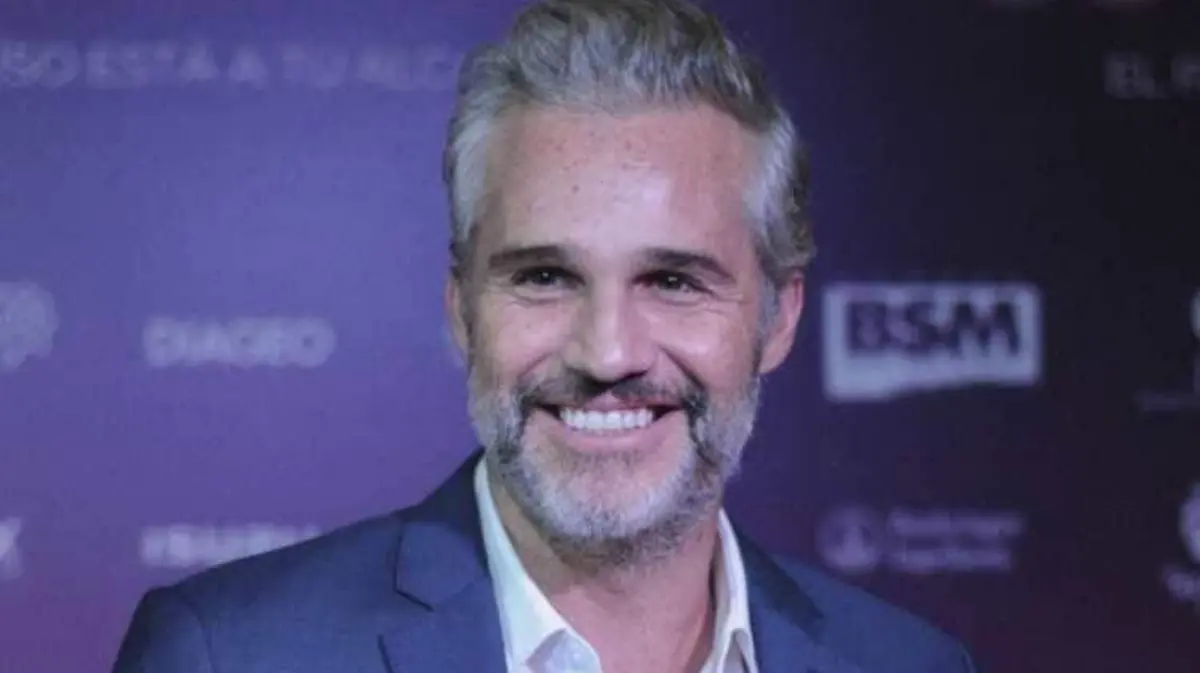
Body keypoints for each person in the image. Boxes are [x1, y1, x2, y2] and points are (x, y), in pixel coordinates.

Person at [112, 1, 979, 672]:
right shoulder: (234, 654)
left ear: (778, 316)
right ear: (462, 309)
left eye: (673, 281)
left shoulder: (909, 665)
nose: (608, 353)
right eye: (544, 277)